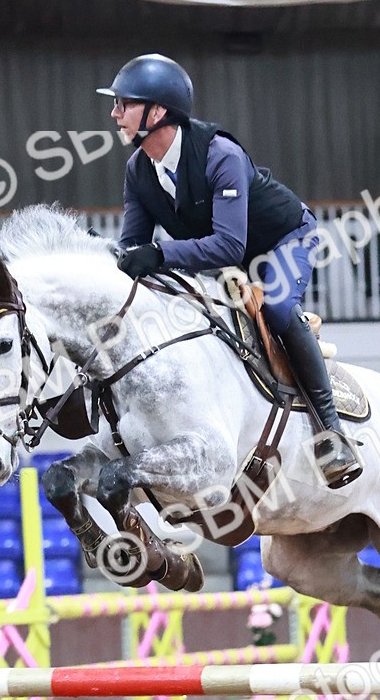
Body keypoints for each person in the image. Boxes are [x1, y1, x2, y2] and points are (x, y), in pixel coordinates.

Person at [97, 53, 361, 489]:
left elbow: (229, 245)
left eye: (124, 103)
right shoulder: (138, 170)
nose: (114, 113)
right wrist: (110, 257)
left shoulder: (220, 154)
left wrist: (158, 254)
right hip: (225, 260)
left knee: (277, 309)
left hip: (282, 240)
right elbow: (134, 247)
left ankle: (332, 433)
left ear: (157, 112)